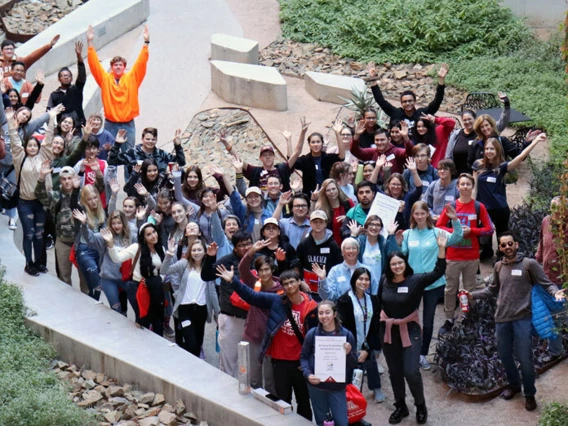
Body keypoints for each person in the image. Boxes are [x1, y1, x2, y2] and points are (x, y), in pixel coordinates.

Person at [466, 231, 565, 412]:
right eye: (503, 245)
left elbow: (546, 283)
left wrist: (555, 292)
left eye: (510, 243)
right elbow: (491, 290)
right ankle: (514, 385)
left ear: (516, 244)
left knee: (525, 359)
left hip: (522, 319)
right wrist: (472, 295)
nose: (507, 247)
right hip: (502, 319)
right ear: (501, 248)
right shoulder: (498, 267)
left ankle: (529, 394)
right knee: (504, 356)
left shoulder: (529, 264)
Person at [216, 266, 318, 421]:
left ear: (299, 282)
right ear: (282, 287)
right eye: (286, 284)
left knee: (304, 402)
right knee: (283, 402)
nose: (290, 286)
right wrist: (233, 281)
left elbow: (321, 330)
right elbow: (252, 297)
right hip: (280, 361)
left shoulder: (312, 307)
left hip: (300, 363)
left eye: (292, 282)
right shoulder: (277, 301)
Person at [379, 233, 447, 424]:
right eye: (393, 264)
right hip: (388, 331)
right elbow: (379, 303)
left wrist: (441, 248)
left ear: (405, 263)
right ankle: (401, 406)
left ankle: (420, 404)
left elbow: (438, 272)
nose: (397, 266)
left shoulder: (415, 280)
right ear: (389, 266)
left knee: (411, 370)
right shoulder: (384, 280)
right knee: (394, 372)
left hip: (410, 329)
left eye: (400, 263)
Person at [387, 201, 463, 370]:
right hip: (412, 284)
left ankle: (422, 354)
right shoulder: (407, 234)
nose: (420, 217)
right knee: (406, 318)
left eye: (423, 213)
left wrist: (455, 220)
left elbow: (457, 237)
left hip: (433, 284)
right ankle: (406, 351)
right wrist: (397, 242)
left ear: (428, 214)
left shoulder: (437, 232)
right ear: (412, 216)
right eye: (416, 214)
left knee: (428, 322)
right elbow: (401, 255)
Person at [436, 173, 493, 335]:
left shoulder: (478, 207)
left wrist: (473, 231)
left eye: (468, 184)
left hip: (471, 256)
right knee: (450, 289)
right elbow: (439, 227)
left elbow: (489, 229)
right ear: (458, 187)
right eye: (462, 184)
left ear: (472, 186)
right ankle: (449, 318)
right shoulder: (451, 207)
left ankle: (469, 317)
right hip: (453, 256)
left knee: (470, 288)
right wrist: (456, 232)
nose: (465, 187)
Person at [472, 133, 547, 258]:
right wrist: (473, 205)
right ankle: (487, 252)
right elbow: (474, 187)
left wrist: (536, 141)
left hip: (500, 208)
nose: (489, 151)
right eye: (487, 148)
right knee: (484, 237)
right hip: (483, 208)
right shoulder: (478, 165)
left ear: (497, 150)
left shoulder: (502, 167)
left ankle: (502, 259)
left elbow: (521, 156)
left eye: (492, 149)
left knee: (502, 236)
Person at [8, 106, 59, 275]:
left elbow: (49, 138)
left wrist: (52, 118)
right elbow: (15, 141)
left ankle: (38, 262)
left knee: (39, 234)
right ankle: (28, 263)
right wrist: (10, 122)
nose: (31, 147)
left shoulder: (44, 156)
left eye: (34, 145)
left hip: (41, 203)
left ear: (38, 147)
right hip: (25, 202)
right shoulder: (19, 157)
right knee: (28, 234)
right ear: (26, 147)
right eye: (29, 145)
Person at [87, 24, 149, 154]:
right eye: (115, 65)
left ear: (125, 66)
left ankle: (129, 175)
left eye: (121, 65)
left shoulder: (132, 78)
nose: (118, 67)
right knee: (109, 154)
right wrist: (90, 44)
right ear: (112, 67)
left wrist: (146, 43)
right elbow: (95, 66)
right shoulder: (105, 79)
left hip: (128, 124)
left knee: (129, 156)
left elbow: (141, 63)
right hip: (111, 124)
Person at [201, 231, 253, 377]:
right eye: (242, 245)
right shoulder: (226, 261)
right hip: (231, 318)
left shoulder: (258, 260)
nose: (246, 248)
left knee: (252, 365)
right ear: (235, 248)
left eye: (248, 243)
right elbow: (206, 275)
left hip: (253, 319)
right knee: (228, 364)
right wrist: (210, 258)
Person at [237, 241, 284, 394]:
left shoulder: (282, 289)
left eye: (267, 269)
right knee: (254, 379)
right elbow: (242, 269)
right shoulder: (253, 284)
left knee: (271, 381)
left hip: (273, 339)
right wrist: (251, 252)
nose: (264, 273)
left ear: (272, 270)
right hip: (253, 336)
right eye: (261, 270)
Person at [301, 300, 358, 426]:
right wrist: (308, 374)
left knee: (342, 422)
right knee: (322, 422)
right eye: (321, 313)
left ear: (335, 314)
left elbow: (354, 364)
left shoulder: (347, 335)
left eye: (327, 312)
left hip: (337, 386)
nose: (324, 316)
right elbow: (304, 357)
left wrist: (348, 354)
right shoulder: (312, 334)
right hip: (317, 386)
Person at [162, 238, 220, 356]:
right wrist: (169, 254)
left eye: (199, 250)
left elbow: (212, 291)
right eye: (194, 250)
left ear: (205, 251)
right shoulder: (184, 264)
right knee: (191, 343)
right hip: (185, 309)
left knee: (198, 344)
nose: (196, 252)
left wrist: (217, 313)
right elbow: (164, 270)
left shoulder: (208, 268)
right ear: (190, 252)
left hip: (201, 309)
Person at [108, 222, 166, 334]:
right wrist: (110, 244)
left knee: (158, 320)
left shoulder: (161, 249)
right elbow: (117, 258)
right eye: (149, 234)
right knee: (143, 320)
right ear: (143, 238)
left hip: (155, 287)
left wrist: (159, 279)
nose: (153, 236)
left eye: (154, 232)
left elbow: (164, 271)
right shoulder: (136, 248)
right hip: (138, 288)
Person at [220, 117, 306, 192]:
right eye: (265, 155)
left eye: (270, 155)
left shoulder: (282, 169)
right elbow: (239, 159)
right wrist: (226, 144)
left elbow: (296, 153)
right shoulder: (255, 172)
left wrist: (297, 136)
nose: (267, 157)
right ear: (260, 158)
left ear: (274, 157)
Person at [337, 268, 385, 403]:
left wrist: (369, 348)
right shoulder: (344, 300)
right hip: (350, 342)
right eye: (360, 279)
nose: (364, 282)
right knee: (351, 370)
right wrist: (353, 349)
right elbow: (342, 327)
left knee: (370, 360)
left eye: (367, 279)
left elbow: (375, 326)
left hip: (366, 341)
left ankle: (376, 388)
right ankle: (350, 393)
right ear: (354, 280)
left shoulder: (374, 300)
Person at [74, 209, 135, 313]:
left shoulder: (131, 235)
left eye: (119, 223)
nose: (116, 226)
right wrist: (84, 224)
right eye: (114, 223)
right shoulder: (105, 236)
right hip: (108, 278)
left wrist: (141, 219)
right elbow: (90, 238)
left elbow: (142, 238)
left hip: (127, 278)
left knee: (136, 304)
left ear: (123, 223)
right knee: (116, 309)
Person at [367, 62, 449, 132]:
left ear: (415, 102)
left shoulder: (422, 113)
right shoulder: (396, 113)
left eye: (410, 101)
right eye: (405, 102)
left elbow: (437, 102)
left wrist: (441, 80)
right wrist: (373, 79)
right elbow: (381, 101)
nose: (408, 103)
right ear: (401, 103)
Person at [36, 165, 81, 285]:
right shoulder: (55, 196)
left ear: (75, 178)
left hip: (82, 242)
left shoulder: (83, 194)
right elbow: (40, 195)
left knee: (85, 280)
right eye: (64, 179)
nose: (67, 181)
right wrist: (41, 177)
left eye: (69, 178)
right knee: (64, 278)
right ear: (60, 180)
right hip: (63, 242)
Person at [535, 196, 567, 360]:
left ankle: (555, 351)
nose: (555, 213)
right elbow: (542, 242)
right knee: (550, 314)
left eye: (559, 210)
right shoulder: (546, 221)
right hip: (546, 277)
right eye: (553, 209)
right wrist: (538, 260)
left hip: (563, 280)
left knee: (558, 316)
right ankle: (555, 347)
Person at [445, 95, 510, 175]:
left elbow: (501, 123)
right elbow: (448, 156)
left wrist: (506, 107)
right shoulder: (456, 134)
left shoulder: (482, 131)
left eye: (469, 119)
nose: (467, 122)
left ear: (475, 119)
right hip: (457, 175)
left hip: (478, 174)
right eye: (464, 120)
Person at [467, 114, 540, 170]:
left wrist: (527, 142)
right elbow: (470, 163)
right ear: (479, 129)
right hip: (481, 180)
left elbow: (518, 156)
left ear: (492, 125)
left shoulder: (502, 141)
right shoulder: (476, 143)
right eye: (482, 127)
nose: (485, 128)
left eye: (486, 125)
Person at [315, 237, 378, 301]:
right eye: (348, 248)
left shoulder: (367, 270)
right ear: (342, 252)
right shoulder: (335, 271)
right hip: (342, 308)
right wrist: (323, 280)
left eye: (354, 248)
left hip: (364, 308)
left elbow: (374, 293)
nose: (351, 251)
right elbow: (329, 297)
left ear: (358, 251)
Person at [296, 210, 343, 296]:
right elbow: (297, 265)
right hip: (308, 288)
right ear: (310, 223)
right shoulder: (303, 244)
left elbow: (339, 266)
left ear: (325, 224)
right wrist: (301, 282)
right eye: (315, 222)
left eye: (321, 222)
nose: (318, 224)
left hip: (328, 287)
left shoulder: (333, 245)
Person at [108, 127, 186, 176]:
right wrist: (117, 145)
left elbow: (181, 162)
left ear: (156, 140)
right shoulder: (132, 153)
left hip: (157, 193)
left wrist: (178, 146)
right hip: (136, 192)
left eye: (153, 139)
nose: (150, 141)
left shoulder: (162, 154)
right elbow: (112, 162)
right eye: (148, 139)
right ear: (142, 139)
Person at [293, 128, 346, 195]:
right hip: (310, 196)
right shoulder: (305, 160)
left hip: (329, 195)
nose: (316, 144)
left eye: (318, 142)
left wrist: (337, 133)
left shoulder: (328, 158)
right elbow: (292, 161)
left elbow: (342, 157)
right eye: (313, 142)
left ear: (322, 143)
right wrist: (302, 133)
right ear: (309, 144)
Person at [75, 185, 106, 300]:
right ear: (84, 200)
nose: (93, 201)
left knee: (98, 283)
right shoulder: (81, 213)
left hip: (98, 249)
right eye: (89, 199)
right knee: (93, 275)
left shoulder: (101, 212)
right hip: (85, 249)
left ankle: (93, 300)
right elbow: (73, 205)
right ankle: (93, 299)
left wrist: (113, 195)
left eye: (95, 198)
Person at [47, 41, 87, 127]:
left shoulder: (76, 89)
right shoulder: (54, 95)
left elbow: (82, 75)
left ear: (71, 78)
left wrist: (79, 56)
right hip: (62, 128)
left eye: (68, 76)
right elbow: (49, 112)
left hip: (78, 127)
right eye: (63, 76)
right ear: (59, 79)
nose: (66, 77)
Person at [312, 178, 354, 246]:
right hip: (330, 245)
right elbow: (312, 219)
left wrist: (347, 218)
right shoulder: (321, 207)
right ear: (324, 193)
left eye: (333, 189)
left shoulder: (348, 203)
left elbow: (356, 219)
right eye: (328, 190)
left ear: (338, 189)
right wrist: (313, 200)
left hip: (347, 244)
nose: (332, 192)